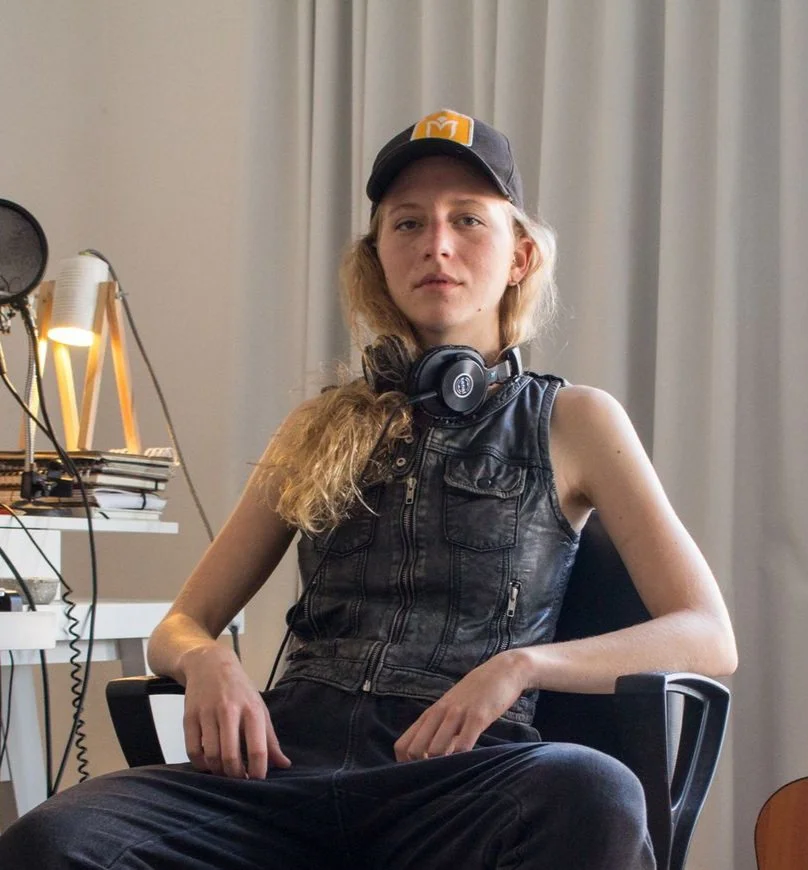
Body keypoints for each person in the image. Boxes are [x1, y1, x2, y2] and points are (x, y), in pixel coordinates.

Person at [0, 108, 737, 869]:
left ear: (518, 257)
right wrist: (209, 661)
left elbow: (708, 635)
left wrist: (521, 666)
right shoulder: (316, 426)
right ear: (377, 256)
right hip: (282, 775)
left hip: (460, 781)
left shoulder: (575, 420)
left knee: (595, 790)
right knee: (52, 840)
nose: (437, 245)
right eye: (408, 224)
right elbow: (181, 623)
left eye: (468, 222)